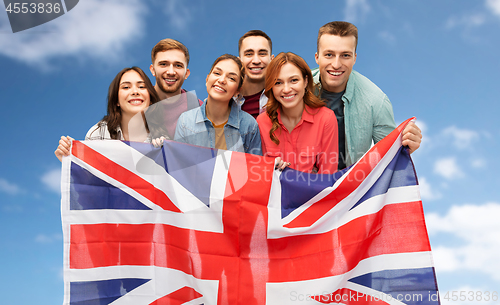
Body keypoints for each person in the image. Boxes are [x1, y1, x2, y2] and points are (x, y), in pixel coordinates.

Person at [312, 21, 422, 170]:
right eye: (329, 55)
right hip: (302, 182)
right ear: (317, 57)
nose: (336, 64)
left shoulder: (376, 101)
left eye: (345, 55)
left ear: (355, 58)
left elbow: (391, 158)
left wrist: (407, 146)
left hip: (350, 187)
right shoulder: (296, 89)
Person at [54, 67, 160, 161]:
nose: (135, 92)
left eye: (141, 87)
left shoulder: (168, 133)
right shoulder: (98, 134)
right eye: (126, 87)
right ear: (116, 100)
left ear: (150, 98)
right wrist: (73, 159)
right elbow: (91, 179)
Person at [257, 52, 338, 174]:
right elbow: (258, 174)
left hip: (313, 192)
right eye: (278, 83)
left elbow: (327, 176)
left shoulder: (326, 119)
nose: (286, 89)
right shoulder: (262, 122)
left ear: (305, 81)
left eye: (293, 80)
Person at [173, 54, 262, 155]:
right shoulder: (186, 121)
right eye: (217, 73)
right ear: (207, 79)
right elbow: (178, 165)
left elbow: (255, 168)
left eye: (231, 78)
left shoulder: (249, 125)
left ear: (237, 91)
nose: (222, 80)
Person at [149, 38, 203, 140]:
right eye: (163, 64)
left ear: (186, 73)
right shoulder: (138, 103)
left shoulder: (198, 108)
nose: (171, 72)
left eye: (178, 65)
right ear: (153, 70)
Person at [236, 30, 274, 118]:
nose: (256, 61)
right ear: (239, 61)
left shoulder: (284, 95)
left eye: (262, 54)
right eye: (249, 54)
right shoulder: (226, 98)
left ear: (272, 59)